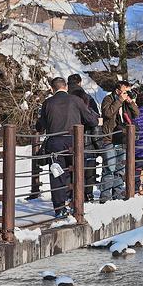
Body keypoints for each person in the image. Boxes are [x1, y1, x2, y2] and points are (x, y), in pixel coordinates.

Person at [35, 76, 99, 217]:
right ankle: (76, 204)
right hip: (74, 141)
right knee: (77, 172)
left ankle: (59, 208)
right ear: (66, 87)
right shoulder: (76, 100)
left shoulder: (47, 103)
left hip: (55, 143)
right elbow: (90, 119)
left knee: (57, 174)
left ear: (52, 89)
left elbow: (41, 125)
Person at [99, 80, 139, 202]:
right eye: (125, 91)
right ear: (117, 91)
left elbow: (136, 114)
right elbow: (108, 113)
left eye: (129, 91)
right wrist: (120, 100)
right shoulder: (108, 99)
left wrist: (130, 102)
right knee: (109, 169)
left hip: (122, 139)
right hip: (109, 138)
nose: (127, 93)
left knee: (120, 169)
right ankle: (105, 198)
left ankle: (118, 196)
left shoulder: (127, 101)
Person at [70, 88, 103, 203]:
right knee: (89, 173)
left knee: (75, 172)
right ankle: (88, 195)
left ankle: (75, 195)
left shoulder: (70, 114)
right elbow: (96, 131)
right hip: (89, 147)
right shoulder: (91, 113)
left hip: (73, 147)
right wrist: (100, 147)